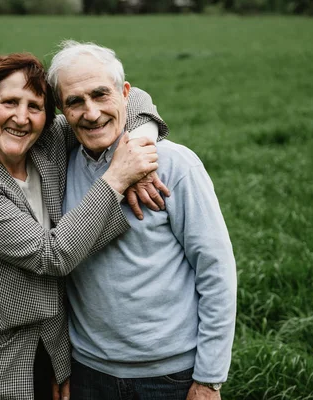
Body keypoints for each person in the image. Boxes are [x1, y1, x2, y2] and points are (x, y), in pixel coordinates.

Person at [0, 53, 169, 400]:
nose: (21, 117)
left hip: (48, 340)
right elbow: (52, 255)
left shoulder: (48, 142)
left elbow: (131, 98)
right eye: (10, 102)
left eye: (35, 106)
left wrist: (138, 144)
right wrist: (118, 176)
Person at [47, 40, 237, 400]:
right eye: (75, 101)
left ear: (125, 94)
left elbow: (216, 270)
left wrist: (210, 378)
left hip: (170, 376)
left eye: (101, 95)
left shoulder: (174, 165)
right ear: (62, 110)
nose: (90, 113)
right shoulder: (61, 167)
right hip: (89, 372)